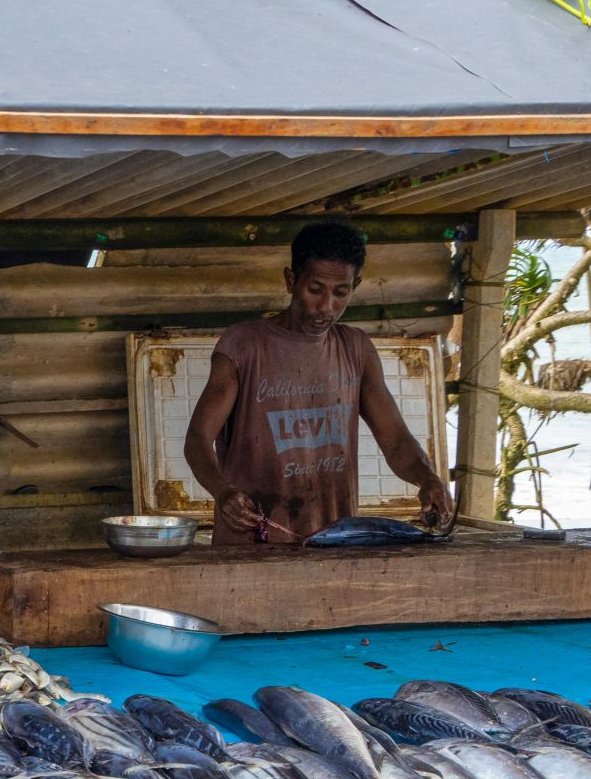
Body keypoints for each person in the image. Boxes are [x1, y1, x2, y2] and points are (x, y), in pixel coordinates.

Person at [181, 219, 454, 545]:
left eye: (341, 292)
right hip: (250, 546)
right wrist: (223, 491)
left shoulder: (357, 349)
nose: (327, 307)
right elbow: (198, 438)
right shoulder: (242, 346)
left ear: (356, 285)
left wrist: (427, 479)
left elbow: (395, 439)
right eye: (315, 290)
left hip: (332, 545)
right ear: (291, 280)